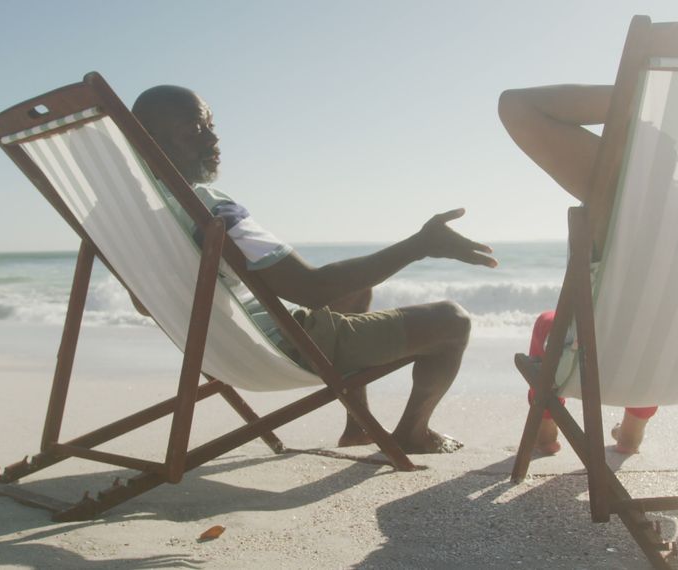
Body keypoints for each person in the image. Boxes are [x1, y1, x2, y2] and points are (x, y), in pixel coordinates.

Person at [130, 85, 498, 454]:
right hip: (279, 346)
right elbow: (312, 289)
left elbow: (143, 304)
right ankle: (413, 433)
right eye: (195, 129)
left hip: (218, 350)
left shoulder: (129, 215)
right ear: (149, 139)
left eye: (211, 125)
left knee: (355, 291)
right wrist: (420, 245)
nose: (213, 138)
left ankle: (358, 427)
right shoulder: (210, 209)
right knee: (452, 321)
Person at [497, 85, 656, 455]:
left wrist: (644, 97)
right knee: (659, 325)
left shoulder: (619, 196)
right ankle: (632, 432)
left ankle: (547, 432)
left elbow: (516, 106)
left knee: (548, 324)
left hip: (603, 362)